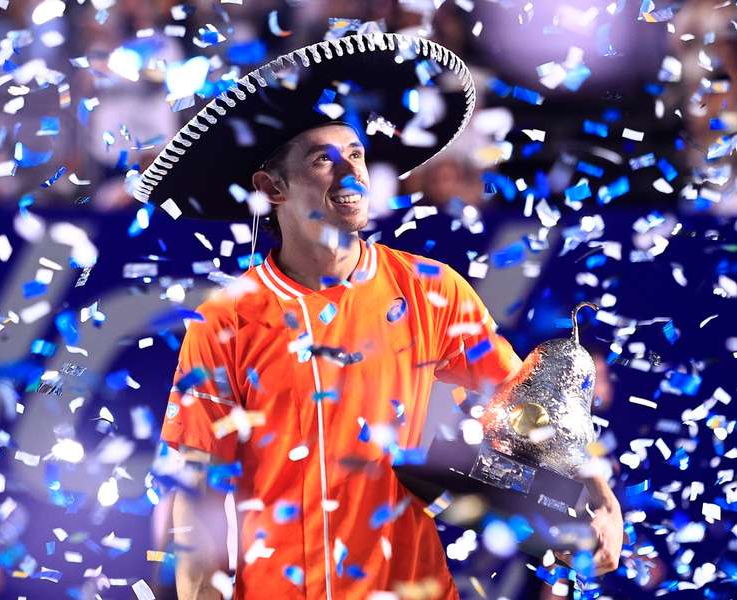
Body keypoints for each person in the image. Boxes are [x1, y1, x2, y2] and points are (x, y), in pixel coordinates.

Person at [137, 32, 622, 599]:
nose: (352, 173)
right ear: (272, 188)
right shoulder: (226, 318)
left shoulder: (429, 287)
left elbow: (533, 413)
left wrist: (599, 498)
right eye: (324, 158)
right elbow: (198, 492)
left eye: (357, 153)